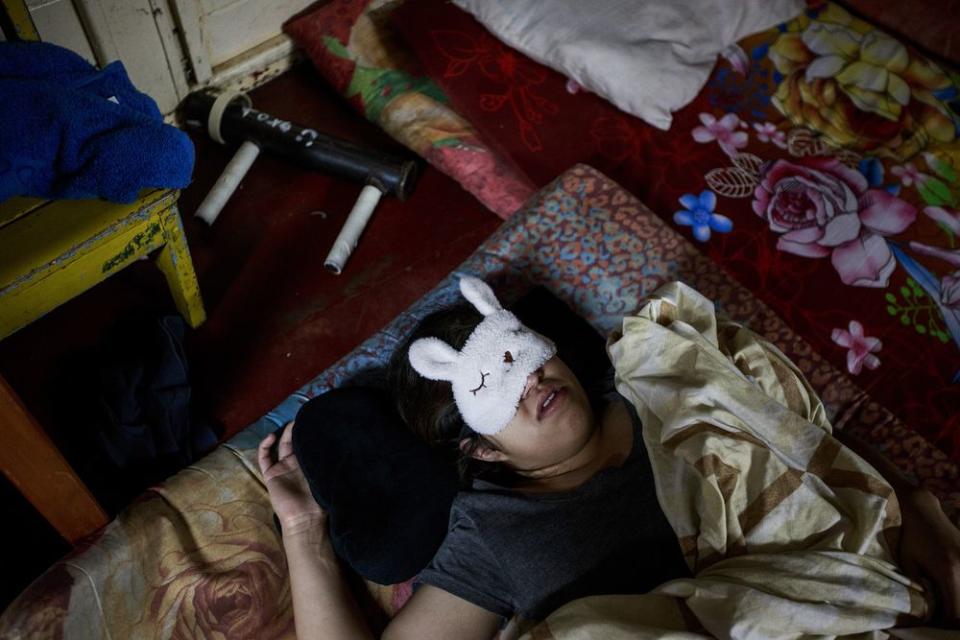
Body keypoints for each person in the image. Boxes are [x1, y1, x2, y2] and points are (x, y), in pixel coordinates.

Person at [258, 280, 960, 640]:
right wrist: (302, 534)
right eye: (494, 390)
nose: (529, 379)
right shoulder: (494, 532)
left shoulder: (666, 380)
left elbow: (806, 449)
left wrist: (909, 503)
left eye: (524, 355)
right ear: (482, 448)